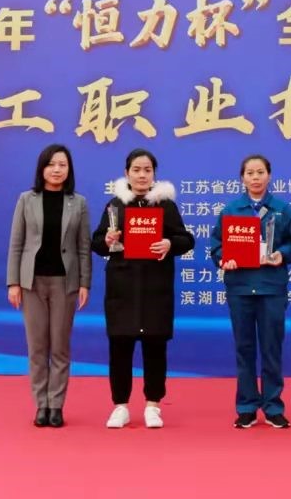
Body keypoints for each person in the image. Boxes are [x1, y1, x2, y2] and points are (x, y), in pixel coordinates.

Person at [91, 148, 194, 429]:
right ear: (126, 173)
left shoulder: (165, 205)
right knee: (120, 348)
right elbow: (96, 242)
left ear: (154, 174)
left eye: (147, 170)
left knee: (155, 347)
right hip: (122, 289)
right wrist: (108, 240)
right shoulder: (115, 205)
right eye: (136, 170)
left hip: (155, 289)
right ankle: (120, 406)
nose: (141, 175)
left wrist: (169, 244)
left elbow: (186, 240)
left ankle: (153, 405)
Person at [209, 154, 291, 429]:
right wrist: (223, 259)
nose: (255, 177)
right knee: (244, 349)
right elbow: (216, 246)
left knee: (272, 348)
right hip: (240, 288)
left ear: (269, 176)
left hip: (271, 288)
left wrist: (282, 254)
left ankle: (273, 406)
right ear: (242, 178)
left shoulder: (281, 209)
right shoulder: (231, 210)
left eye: (260, 172)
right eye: (250, 173)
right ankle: (247, 407)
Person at [6, 144, 91, 429]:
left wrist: (85, 283)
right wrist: (13, 282)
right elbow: (16, 244)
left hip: (65, 283)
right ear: (42, 168)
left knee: (60, 347)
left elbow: (83, 247)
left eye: (62, 165)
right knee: (37, 347)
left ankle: (56, 405)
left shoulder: (78, 202)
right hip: (31, 282)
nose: (57, 170)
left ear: (69, 170)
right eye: (51, 164)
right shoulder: (26, 200)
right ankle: (40, 405)